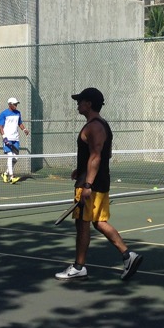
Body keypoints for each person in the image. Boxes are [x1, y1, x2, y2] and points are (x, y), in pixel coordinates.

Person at [56, 87, 143, 282]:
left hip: (91, 185)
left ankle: (79, 267)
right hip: (100, 180)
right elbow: (104, 155)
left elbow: (96, 156)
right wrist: (81, 169)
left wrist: (87, 184)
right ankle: (128, 255)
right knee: (99, 222)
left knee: (82, 224)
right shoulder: (103, 125)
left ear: (88, 104)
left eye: (80, 101)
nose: (77, 104)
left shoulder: (93, 127)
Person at [0, 97, 29, 183]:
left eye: (16, 104)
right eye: (14, 104)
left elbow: (20, 123)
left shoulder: (18, 113)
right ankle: (11, 177)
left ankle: (5, 173)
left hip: (16, 139)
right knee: (10, 155)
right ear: (10, 104)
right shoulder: (3, 114)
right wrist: (4, 138)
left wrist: (24, 129)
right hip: (7, 139)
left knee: (16, 158)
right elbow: (0, 127)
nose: (16, 105)